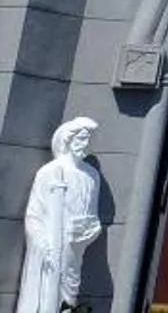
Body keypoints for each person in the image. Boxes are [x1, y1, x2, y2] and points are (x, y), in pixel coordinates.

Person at [13, 119, 102, 313]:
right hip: (51, 245)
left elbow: (93, 216)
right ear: (68, 140)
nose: (85, 145)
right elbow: (34, 214)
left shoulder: (92, 176)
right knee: (48, 291)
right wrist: (42, 242)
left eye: (88, 140)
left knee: (69, 292)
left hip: (75, 247)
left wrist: (91, 231)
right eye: (81, 139)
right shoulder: (50, 172)